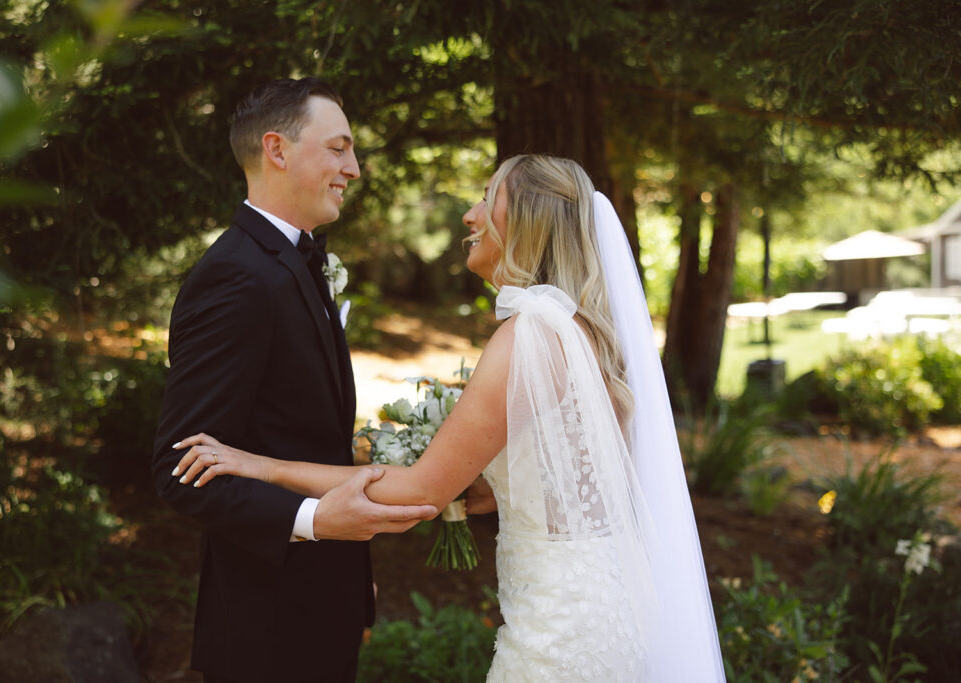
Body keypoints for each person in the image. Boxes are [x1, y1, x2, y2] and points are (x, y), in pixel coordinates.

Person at [171, 154, 726, 681]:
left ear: (528, 219)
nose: (470, 214)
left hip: (560, 635)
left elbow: (420, 491)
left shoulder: (529, 335)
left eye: (488, 198)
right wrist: (485, 488)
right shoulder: (578, 330)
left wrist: (260, 466)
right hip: (605, 612)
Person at [151, 78, 436, 683]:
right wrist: (313, 522)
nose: (354, 169)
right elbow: (181, 469)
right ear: (277, 150)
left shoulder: (292, 260)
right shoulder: (235, 276)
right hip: (266, 624)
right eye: (339, 149)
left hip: (321, 601)